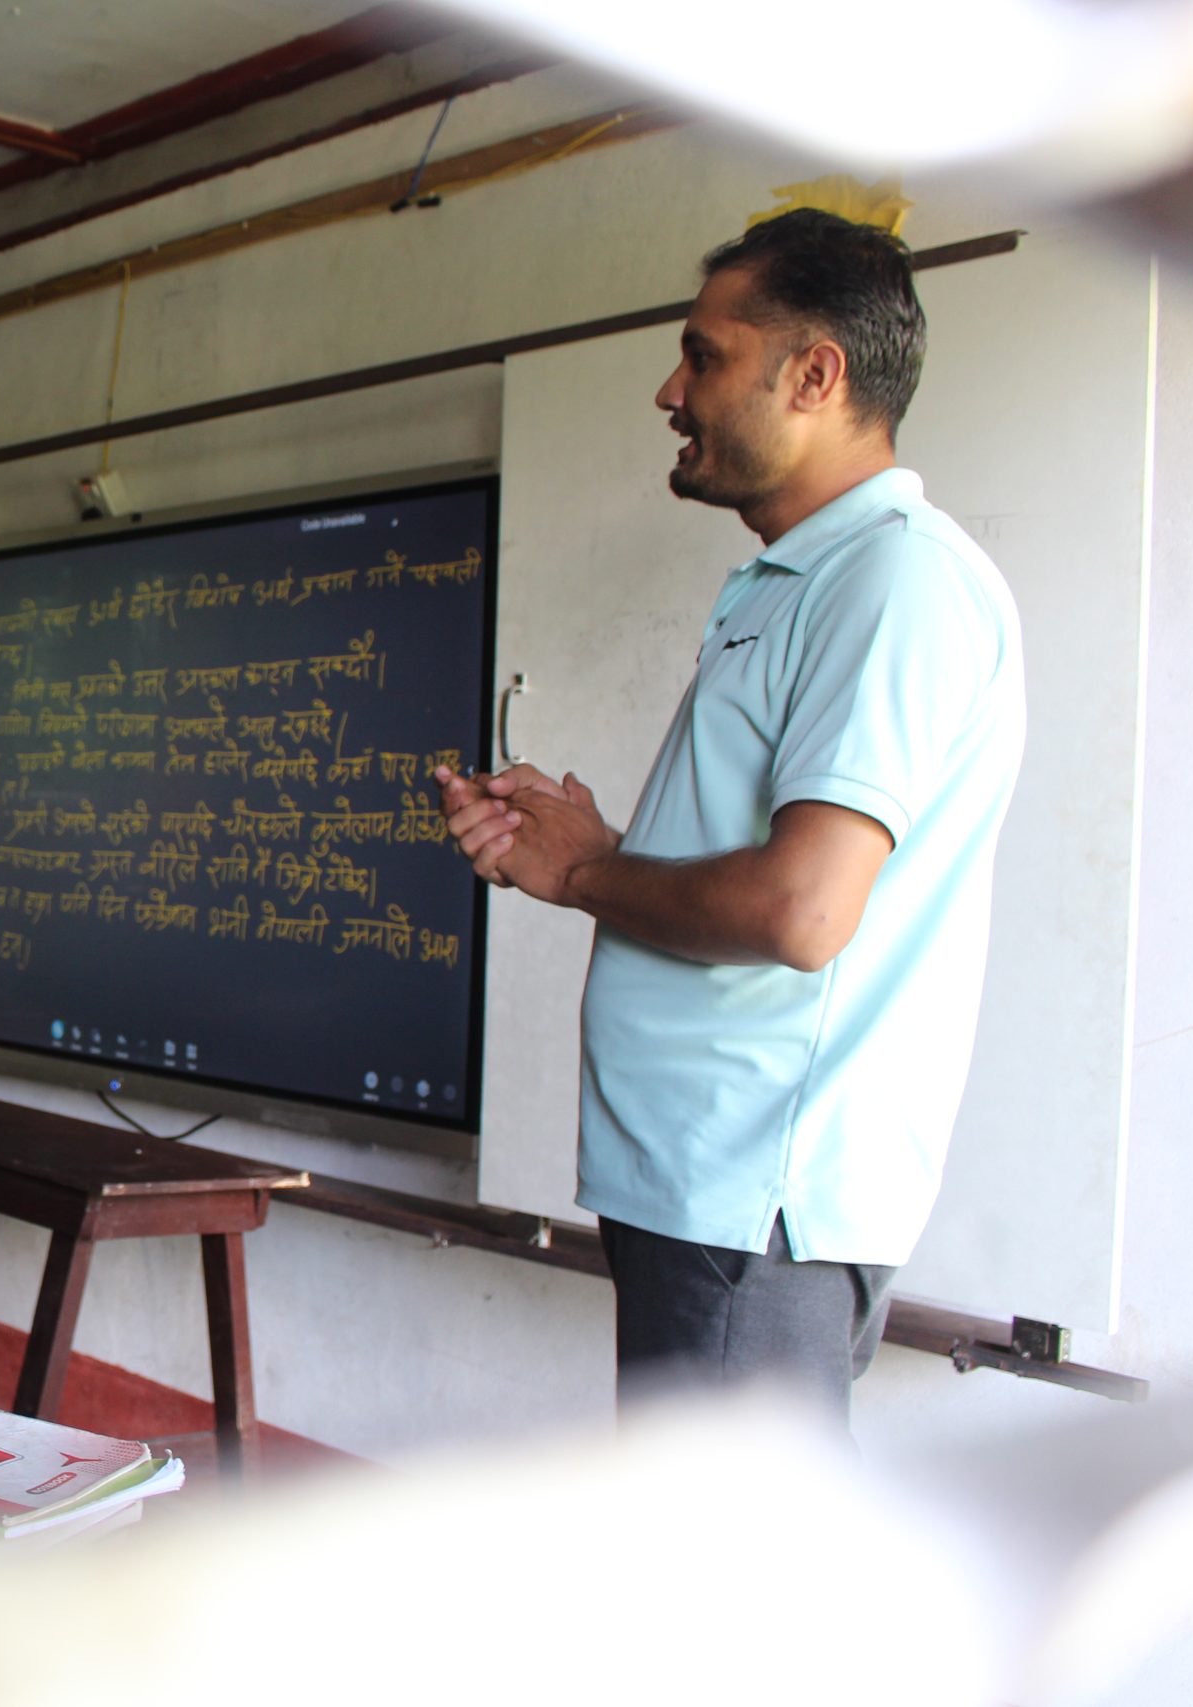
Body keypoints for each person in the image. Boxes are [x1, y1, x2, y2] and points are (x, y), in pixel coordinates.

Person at [435, 209, 1025, 1419]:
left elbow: (801, 909)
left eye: (704, 356)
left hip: (753, 1196)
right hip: (704, 1189)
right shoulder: (798, 578)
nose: (672, 390)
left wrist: (587, 872)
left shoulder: (893, 577)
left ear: (815, 375)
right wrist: (592, 848)